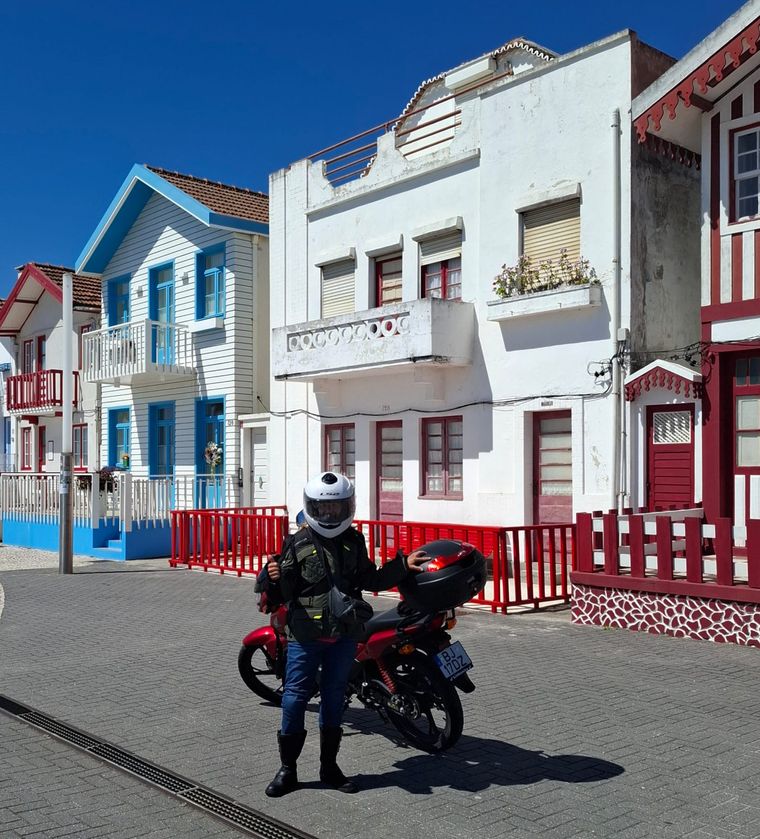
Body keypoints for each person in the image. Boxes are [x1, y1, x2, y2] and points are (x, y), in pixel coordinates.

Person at [259, 471, 426, 798]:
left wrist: (402, 566)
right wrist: (272, 577)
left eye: (336, 507)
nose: (330, 513)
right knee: (294, 698)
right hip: (305, 635)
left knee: (334, 698)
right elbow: (282, 595)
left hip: (344, 634)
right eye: (323, 507)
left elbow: (371, 579)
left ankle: (330, 768)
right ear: (312, 507)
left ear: (347, 506)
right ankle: (288, 769)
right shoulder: (297, 542)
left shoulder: (354, 541)